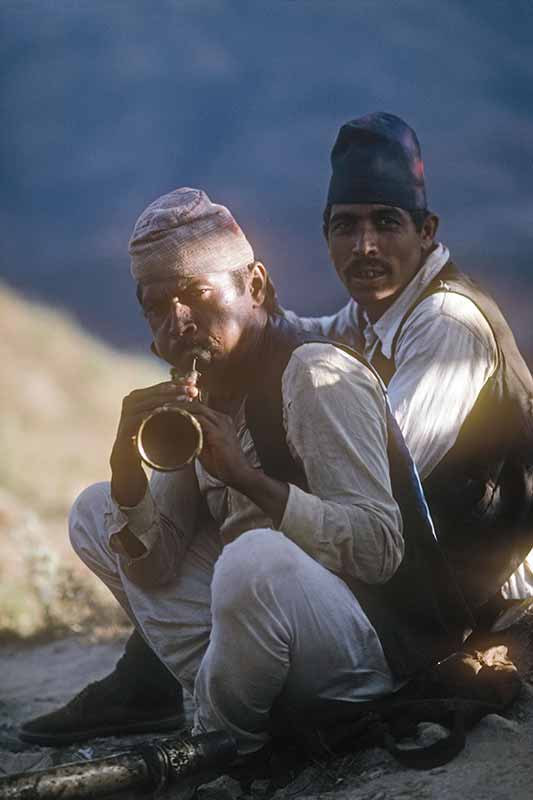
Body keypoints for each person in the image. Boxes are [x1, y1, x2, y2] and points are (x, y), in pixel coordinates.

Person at [21, 187, 469, 754]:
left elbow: (379, 549)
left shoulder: (314, 374)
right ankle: (240, 704)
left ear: (253, 286)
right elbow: (155, 570)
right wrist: (126, 467)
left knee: (253, 557)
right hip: (278, 636)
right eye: (157, 309)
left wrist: (249, 480)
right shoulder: (205, 389)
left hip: (375, 648)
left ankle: (226, 734)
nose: (176, 322)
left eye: (194, 295)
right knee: (95, 509)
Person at [286, 112, 533, 632]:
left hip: (492, 598)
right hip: (434, 575)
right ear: (326, 233)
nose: (365, 246)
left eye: (385, 222)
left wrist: (262, 485)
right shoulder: (371, 315)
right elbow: (297, 336)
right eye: (346, 226)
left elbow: (378, 479)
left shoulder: (446, 323)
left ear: (426, 232)